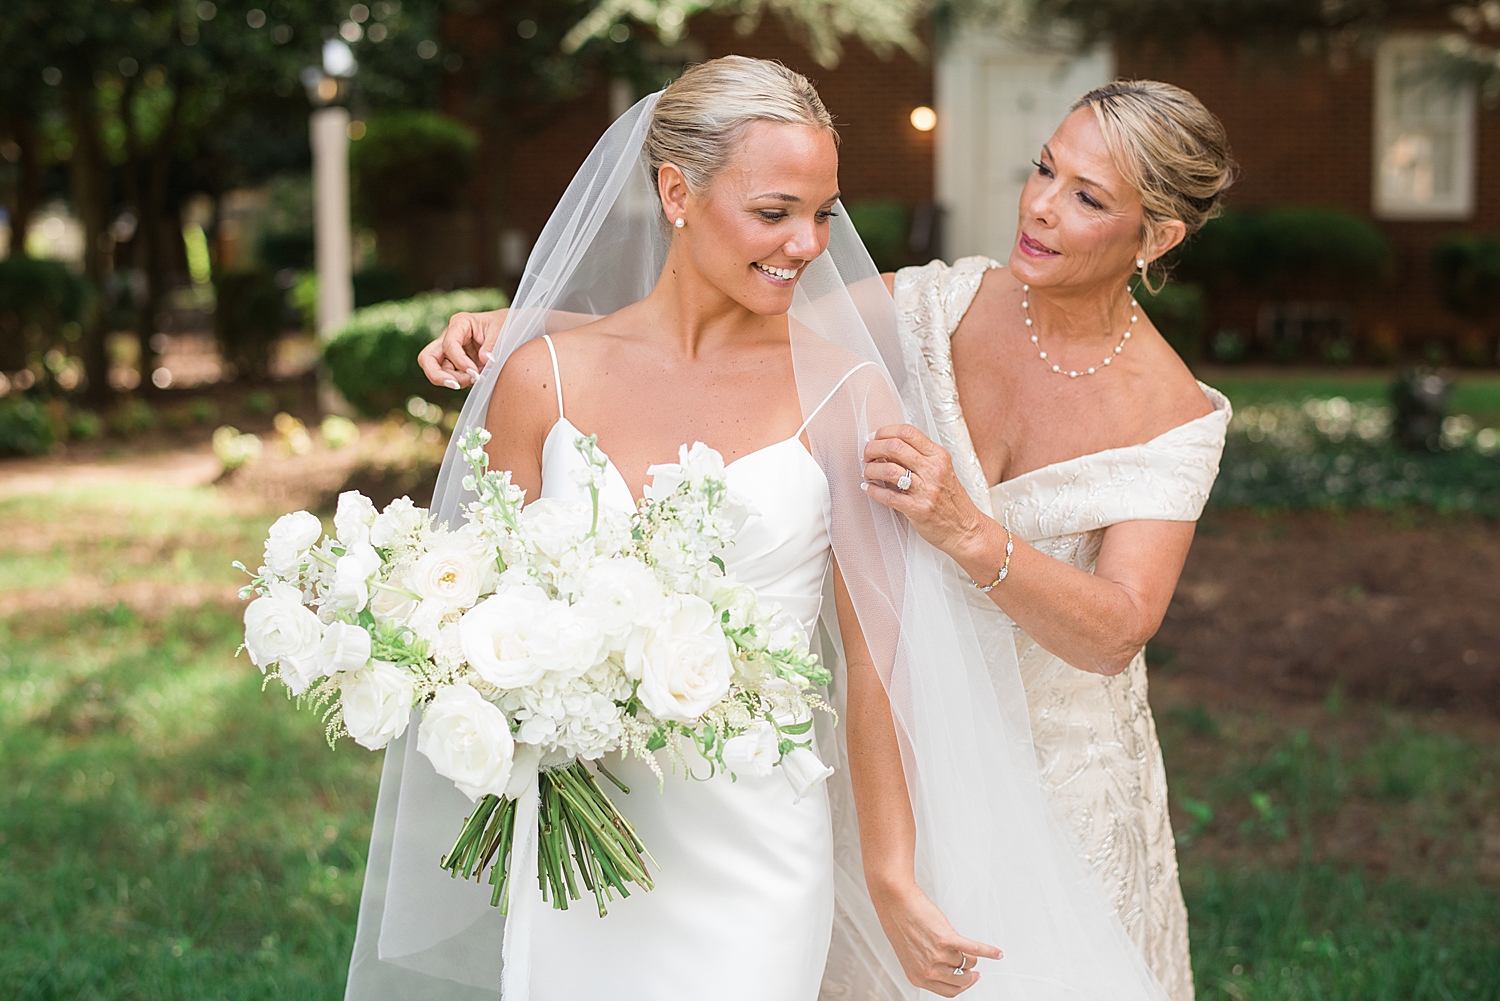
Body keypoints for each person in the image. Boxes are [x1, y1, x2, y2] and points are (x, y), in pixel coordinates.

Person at [381, 57, 1175, 1001]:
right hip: (574, 824)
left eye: (825, 214)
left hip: (755, 851)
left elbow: (881, 662)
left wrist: (890, 873)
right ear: (677, 191)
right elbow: (479, 607)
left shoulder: (843, 392)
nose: (806, 244)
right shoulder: (540, 379)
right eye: (775, 212)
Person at [861, 80, 1235, 1001]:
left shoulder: (1173, 416)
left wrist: (964, 529)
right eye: (1044, 169)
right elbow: (740, 332)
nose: (1039, 205)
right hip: (892, 746)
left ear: (1157, 238)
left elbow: (1114, 631)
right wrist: (542, 334)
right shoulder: (937, 307)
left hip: (1057, 782)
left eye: (1087, 197)